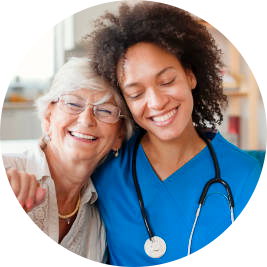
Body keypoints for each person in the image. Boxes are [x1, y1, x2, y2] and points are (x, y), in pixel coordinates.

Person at [88, 2, 264, 266]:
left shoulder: (246, 176)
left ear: (191, 76)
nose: (157, 102)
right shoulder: (106, 168)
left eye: (167, 81)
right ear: (124, 100)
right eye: (136, 93)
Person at [2, 57, 134, 262]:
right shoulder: (8, 171)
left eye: (105, 110)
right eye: (73, 103)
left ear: (119, 136)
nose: (86, 119)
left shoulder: (99, 221)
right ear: (48, 118)